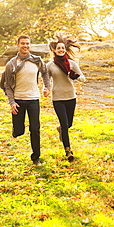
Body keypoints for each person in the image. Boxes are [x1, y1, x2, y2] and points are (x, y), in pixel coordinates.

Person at [2, 35, 49, 165]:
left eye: (27, 43)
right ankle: (16, 130)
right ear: (18, 45)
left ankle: (36, 157)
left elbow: (45, 72)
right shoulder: (11, 64)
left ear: (30, 45)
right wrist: (12, 102)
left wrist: (46, 86)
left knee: (35, 128)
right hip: (18, 100)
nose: (25, 46)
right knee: (19, 130)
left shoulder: (36, 60)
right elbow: (7, 85)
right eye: (23, 43)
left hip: (33, 99)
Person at [47, 31, 85, 162]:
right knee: (64, 123)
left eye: (63, 48)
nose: (61, 50)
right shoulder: (50, 65)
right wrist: (45, 88)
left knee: (68, 124)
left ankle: (61, 130)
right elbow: (46, 79)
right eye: (58, 48)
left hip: (71, 97)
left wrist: (75, 76)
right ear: (54, 50)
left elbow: (83, 78)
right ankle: (68, 151)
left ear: (65, 49)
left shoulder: (72, 64)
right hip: (58, 99)